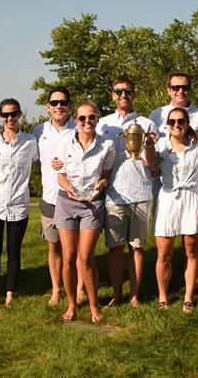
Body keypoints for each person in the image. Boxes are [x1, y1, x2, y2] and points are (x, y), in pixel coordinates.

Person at [97, 76, 157, 308]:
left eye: (128, 91)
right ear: (112, 94)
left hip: (141, 192)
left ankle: (134, 295)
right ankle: (116, 293)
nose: (123, 95)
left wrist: (149, 144)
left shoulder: (146, 123)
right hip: (114, 193)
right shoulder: (103, 124)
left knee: (137, 248)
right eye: (118, 91)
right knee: (115, 248)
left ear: (134, 94)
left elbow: (152, 165)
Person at [56, 102, 115, 323]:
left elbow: (106, 174)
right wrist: (67, 187)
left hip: (93, 204)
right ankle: (72, 304)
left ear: (98, 119)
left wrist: (101, 183)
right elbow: (60, 174)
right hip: (67, 202)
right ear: (77, 120)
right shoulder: (65, 143)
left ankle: (93, 305)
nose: (87, 121)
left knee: (86, 256)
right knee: (69, 257)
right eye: (82, 118)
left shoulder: (107, 145)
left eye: (91, 117)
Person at [0, 98, 39, 311]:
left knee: (14, 250)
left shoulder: (30, 142)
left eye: (13, 114)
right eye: (5, 115)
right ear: (0, 117)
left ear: (20, 115)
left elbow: (37, 162)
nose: (10, 118)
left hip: (19, 204)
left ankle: (9, 295)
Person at [153, 107, 198, 313]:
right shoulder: (160, 146)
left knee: (191, 249)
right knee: (164, 252)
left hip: (191, 196)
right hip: (168, 197)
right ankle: (163, 296)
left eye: (181, 121)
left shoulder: (197, 146)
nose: (177, 126)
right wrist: (149, 146)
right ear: (167, 125)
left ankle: (189, 297)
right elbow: (150, 165)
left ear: (187, 123)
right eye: (173, 122)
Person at [32, 87, 77, 305]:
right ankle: (56, 290)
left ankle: (79, 289)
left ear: (70, 106)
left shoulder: (79, 128)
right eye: (55, 103)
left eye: (63, 102)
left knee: (75, 248)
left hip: (75, 198)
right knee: (54, 247)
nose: (59, 106)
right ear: (48, 107)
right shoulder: (38, 131)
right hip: (50, 197)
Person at [149, 70, 198, 138]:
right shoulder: (156, 115)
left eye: (185, 87)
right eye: (176, 88)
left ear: (190, 90)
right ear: (169, 90)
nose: (181, 91)